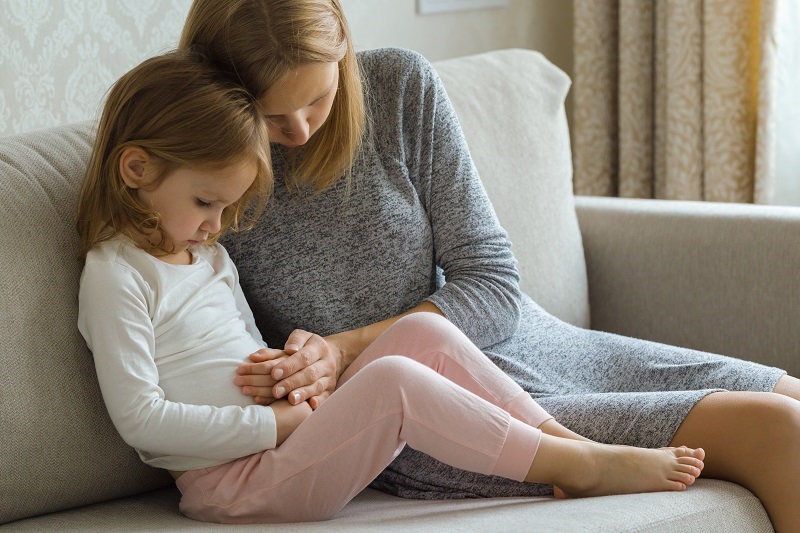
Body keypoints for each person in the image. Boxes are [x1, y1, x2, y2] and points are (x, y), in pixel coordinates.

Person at [178, 0, 800, 531]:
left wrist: (340, 348)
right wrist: (318, 371)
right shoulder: (203, 179)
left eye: (318, 98)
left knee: (791, 395)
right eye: (271, 114)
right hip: (434, 416)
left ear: (343, 50)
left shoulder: (398, 87)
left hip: (533, 342)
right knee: (779, 430)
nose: (300, 130)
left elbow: (493, 284)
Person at [75, 48, 706, 524]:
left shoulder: (206, 255)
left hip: (288, 440)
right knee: (395, 383)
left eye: (225, 208)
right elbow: (143, 423)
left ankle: (572, 448)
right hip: (235, 485)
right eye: (206, 203)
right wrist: (277, 425)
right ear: (137, 168)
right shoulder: (116, 275)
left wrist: (290, 372)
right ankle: (581, 466)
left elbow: (241, 344)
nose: (217, 226)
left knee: (424, 331)